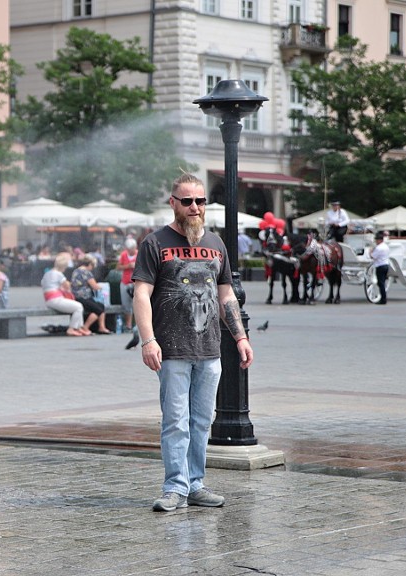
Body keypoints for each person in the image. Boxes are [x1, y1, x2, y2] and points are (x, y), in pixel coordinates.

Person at [132, 172, 254, 513]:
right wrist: (148, 340)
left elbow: (225, 294)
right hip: (171, 349)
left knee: (201, 420)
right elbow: (141, 294)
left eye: (200, 201)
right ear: (173, 203)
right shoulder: (155, 243)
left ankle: (195, 483)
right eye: (187, 201)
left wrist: (240, 338)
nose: (194, 207)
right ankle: (174, 487)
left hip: (210, 348)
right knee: (175, 420)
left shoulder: (216, 244)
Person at [41, 252, 88, 337]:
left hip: (49, 299)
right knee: (78, 307)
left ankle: (79, 327)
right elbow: (67, 286)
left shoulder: (47, 273)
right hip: (56, 299)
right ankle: (72, 328)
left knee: (77, 306)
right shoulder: (59, 274)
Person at [70, 255, 110, 334]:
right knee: (99, 310)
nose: (92, 268)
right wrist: (102, 287)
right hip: (84, 297)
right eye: (93, 266)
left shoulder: (75, 271)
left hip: (76, 296)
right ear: (90, 264)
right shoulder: (86, 273)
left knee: (100, 306)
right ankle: (85, 327)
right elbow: (94, 286)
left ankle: (102, 327)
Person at [117, 238, 139, 331]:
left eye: (132, 249)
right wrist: (127, 266)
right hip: (125, 281)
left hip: (136, 282)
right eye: (129, 250)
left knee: (138, 303)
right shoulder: (123, 255)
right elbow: (118, 267)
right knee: (126, 304)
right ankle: (128, 325)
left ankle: (138, 324)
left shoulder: (139, 254)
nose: (130, 251)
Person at [370, 231, 391, 305]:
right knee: (382, 283)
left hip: (380, 266)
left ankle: (383, 299)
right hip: (386, 265)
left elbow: (373, 256)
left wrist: (370, 251)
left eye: (376, 240)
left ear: (380, 240)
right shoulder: (386, 246)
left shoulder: (378, 248)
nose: (376, 241)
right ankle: (383, 297)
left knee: (381, 283)